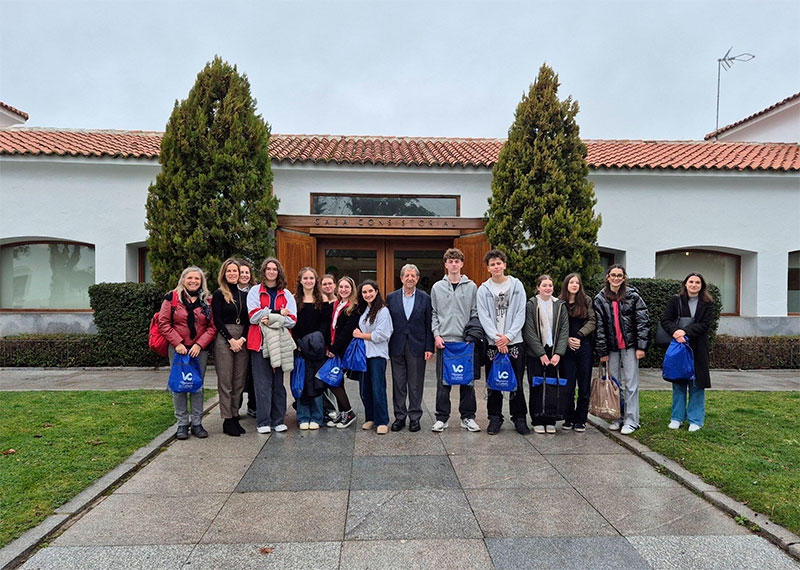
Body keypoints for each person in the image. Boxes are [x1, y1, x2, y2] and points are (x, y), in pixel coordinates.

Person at [158, 266, 217, 440]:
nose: (193, 281)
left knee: (196, 386)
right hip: (178, 350)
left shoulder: (207, 301)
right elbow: (163, 323)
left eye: (197, 279)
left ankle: (197, 423)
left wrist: (200, 344)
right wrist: (177, 343)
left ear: (202, 282)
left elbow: (212, 326)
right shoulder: (172, 299)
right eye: (190, 278)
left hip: (199, 350)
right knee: (179, 386)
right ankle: (182, 423)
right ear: (183, 280)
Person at [593, 264, 650, 435]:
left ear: (624, 278)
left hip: (630, 347)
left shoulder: (633, 296)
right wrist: (602, 351)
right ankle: (617, 417)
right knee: (614, 384)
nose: (616, 278)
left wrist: (641, 346)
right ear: (608, 277)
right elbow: (599, 328)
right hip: (612, 348)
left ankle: (632, 420)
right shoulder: (600, 299)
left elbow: (642, 322)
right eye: (613, 275)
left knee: (631, 384)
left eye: (620, 275)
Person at [477, 249, 529, 435]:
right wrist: (497, 339)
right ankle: (495, 418)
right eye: (492, 264)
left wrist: (509, 336)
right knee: (494, 382)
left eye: (499, 263)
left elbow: (520, 313)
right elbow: (483, 316)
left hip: (515, 341)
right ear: (488, 268)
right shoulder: (483, 289)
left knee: (516, 381)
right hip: (493, 344)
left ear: (504, 265)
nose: (496, 266)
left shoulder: (516, 286)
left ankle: (519, 418)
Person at [430, 248, 480, 433]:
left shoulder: (472, 286)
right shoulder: (437, 287)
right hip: (444, 341)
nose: (453, 264)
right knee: (443, 383)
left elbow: (475, 313)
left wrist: (472, 337)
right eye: (450, 261)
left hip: (465, 342)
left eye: (456, 261)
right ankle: (441, 418)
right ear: (445, 264)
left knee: (467, 382)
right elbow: (434, 313)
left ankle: (467, 417)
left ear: (461, 264)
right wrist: (436, 334)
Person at [246, 257, 297, 434]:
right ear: (263, 271)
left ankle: (278, 420)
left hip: (281, 345)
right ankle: (263, 421)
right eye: (268, 268)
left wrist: (269, 317)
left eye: (274, 269)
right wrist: (277, 313)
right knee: (262, 384)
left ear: (279, 272)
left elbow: (292, 320)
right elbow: (253, 317)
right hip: (260, 344)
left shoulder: (287, 294)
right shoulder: (255, 291)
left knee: (278, 384)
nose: (271, 272)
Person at [661, 273, 715, 432]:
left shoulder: (708, 303)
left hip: (698, 348)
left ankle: (696, 420)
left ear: (701, 285)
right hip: (679, 346)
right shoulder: (675, 301)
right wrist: (676, 332)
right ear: (685, 284)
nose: (694, 285)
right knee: (679, 381)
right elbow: (665, 320)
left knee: (697, 383)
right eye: (691, 281)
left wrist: (683, 332)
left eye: (697, 282)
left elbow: (705, 325)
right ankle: (676, 417)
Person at [386, 264, 434, 432]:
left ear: (417, 278)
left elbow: (429, 324)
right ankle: (400, 417)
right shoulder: (391, 298)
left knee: (415, 384)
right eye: (407, 275)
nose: (410, 278)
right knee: (398, 383)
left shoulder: (425, 298)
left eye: (413, 276)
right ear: (401, 278)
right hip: (396, 346)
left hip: (417, 346)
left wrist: (429, 347)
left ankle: (415, 417)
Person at [523, 275, 569, 434]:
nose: (548, 288)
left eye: (550, 285)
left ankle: (550, 419)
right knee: (536, 385)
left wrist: (558, 354)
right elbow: (528, 330)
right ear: (538, 287)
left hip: (554, 352)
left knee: (551, 386)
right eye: (544, 285)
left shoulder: (560, 305)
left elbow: (564, 330)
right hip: (536, 352)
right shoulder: (531, 304)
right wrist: (541, 353)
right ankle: (537, 419)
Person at [211, 258, 250, 437]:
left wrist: (242, 339)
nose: (233, 274)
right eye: (230, 271)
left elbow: (250, 320)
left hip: (242, 338)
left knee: (239, 380)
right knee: (226, 380)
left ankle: (235, 414)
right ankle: (227, 418)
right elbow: (217, 320)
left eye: (236, 271)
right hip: (224, 338)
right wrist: (230, 340)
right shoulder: (219, 294)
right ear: (224, 274)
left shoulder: (245, 295)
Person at [352, 279, 393, 435]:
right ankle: (370, 418)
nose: (367, 294)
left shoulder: (383, 311)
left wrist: (361, 335)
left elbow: (382, 334)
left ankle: (382, 420)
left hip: (377, 355)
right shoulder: (364, 311)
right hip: (363, 355)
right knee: (365, 389)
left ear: (376, 292)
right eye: (364, 292)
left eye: (370, 291)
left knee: (378, 388)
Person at [292, 267, 331, 430]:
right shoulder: (294, 299)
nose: (308, 281)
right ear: (300, 281)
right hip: (300, 348)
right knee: (301, 381)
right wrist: (299, 344)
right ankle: (302, 416)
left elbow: (325, 324)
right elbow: (292, 324)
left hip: (317, 348)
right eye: (305, 278)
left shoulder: (322, 299)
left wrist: (318, 343)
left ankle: (317, 416)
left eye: (311, 278)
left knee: (316, 382)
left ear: (316, 281)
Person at [558, 273, 596, 432]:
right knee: (567, 385)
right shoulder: (559, 303)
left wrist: (579, 336)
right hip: (566, 349)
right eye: (571, 282)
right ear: (566, 284)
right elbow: (555, 325)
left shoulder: (586, 301)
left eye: (577, 283)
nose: (574, 285)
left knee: (584, 385)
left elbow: (592, 321)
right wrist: (566, 340)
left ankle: (581, 419)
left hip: (584, 347)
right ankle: (568, 418)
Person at [326, 276, 359, 428]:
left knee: (332, 381)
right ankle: (343, 414)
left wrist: (334, 350)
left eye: (347, 287)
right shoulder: (337, 305)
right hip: (334, 348)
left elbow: (346, 332)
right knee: (337, 381)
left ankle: (349, 412)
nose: (344, 290)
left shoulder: (354, 307)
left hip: (343, 350)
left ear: (352, 289)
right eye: (341, 287)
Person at [236, 259, 258, 419]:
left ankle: (253, 405)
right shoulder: (230, 292)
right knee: (238, 375)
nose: (244, 275)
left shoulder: (254, 292)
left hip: (251, 335)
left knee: (252, 373)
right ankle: (235, 407)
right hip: (234, 336)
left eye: (246, 272)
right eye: (241, 272)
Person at [319, 273, 339, 422]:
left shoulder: (340, 302)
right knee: (323, 379)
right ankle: (327, 409)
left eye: (330, 283)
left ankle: (332, 409)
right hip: (322, 345)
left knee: (332, 379)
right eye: (324, 284)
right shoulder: (318, 302)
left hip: (335, 346)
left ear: (335, 285)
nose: (327, 286)